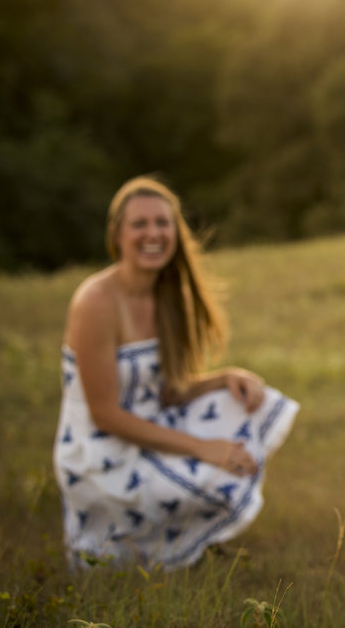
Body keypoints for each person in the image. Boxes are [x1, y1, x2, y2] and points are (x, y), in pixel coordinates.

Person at [53, 175, 299, 570]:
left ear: (175, 232)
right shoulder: (95, 300)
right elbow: (106, 415)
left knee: (248, 405)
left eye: (162, 223)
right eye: (140, 224)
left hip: (152, 424)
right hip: (102, 448)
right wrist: (201, 447)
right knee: (213, 462)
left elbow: (168, 392)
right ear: (116, 234)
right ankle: (170, 550)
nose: (153, 233)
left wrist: (225, 377)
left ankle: (189, 543)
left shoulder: (169, 296)